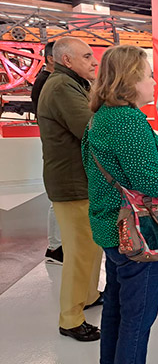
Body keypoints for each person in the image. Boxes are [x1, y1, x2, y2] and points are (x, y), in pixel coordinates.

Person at [81, 45, 158, 363]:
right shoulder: (127, 122)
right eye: (149, 75)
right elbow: (153, 182)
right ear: (129, 81)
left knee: (116, 312)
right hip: (136, 235)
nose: (155, 82)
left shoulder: (101, 118)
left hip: (112, 229)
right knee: (137, 322)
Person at [37, 36, 103, 342]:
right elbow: (91, 128)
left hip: (80, 180)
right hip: (72, 183)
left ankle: (88, 296)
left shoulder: (73, 84)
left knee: (92, 246)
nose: (94, 61)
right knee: (80, 252)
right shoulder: (63, 87)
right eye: (87, 56)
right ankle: (71, 318)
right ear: (67, 60)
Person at [31, 41, 63, 264]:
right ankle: (55, 247)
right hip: (58, 152)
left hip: (57, 151)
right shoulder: (48, 83)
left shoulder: (50, 82)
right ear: (52, 58)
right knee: (58, 201)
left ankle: (58, 246)